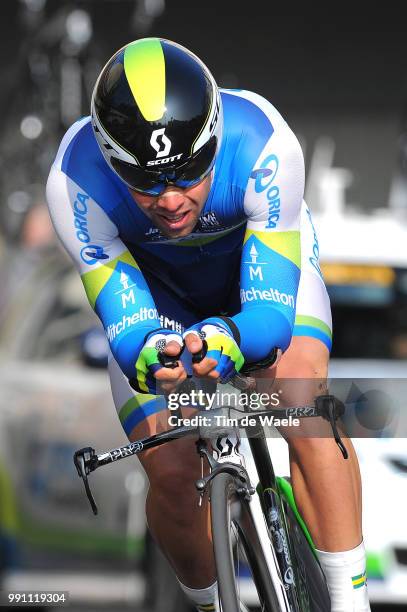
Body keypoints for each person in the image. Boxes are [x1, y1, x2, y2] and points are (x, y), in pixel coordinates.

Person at [47, 38, 370, 611]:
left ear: (216, 139)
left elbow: (270, 317)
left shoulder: (264, 142)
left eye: (191, 173)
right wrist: (148, 354)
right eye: (144, 181)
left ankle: (350, 603)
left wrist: (235, 337)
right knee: (170, 470)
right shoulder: (75, 181)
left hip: (257, 278)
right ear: (109, 159)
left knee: (301, 401)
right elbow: (127, 322)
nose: (170, 199)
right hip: (158, 298)